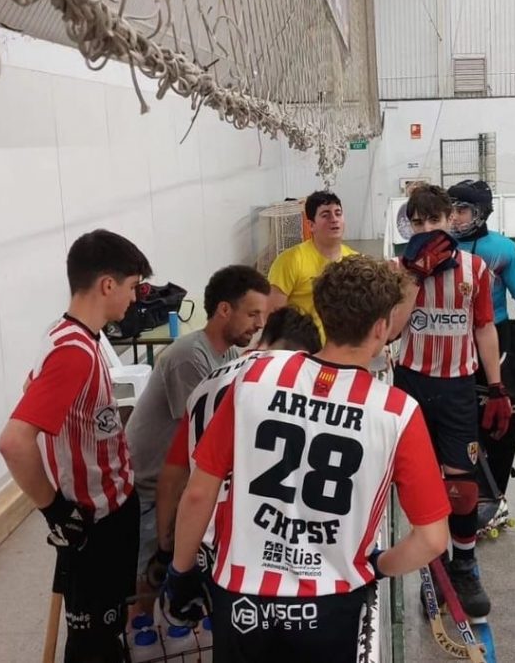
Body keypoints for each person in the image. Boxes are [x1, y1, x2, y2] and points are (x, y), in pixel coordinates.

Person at [159, 256, 450, 662]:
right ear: (382, 327)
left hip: (243, 598)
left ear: (324, 315)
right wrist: (378, 566)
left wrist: (181, 571)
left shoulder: (253, 380)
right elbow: (432, 539)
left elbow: (198, 492)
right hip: (331, 603)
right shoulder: (397, 412)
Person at [0, 229, 152, 663]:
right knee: (93, 643)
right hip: (94, 520)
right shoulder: (73, 353)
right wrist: (57, 512)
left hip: (111, 506)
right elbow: (14, 442)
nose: (134, 298)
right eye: (132, 287)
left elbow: (43, 402)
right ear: (107, 284)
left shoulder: (73, 335)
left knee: (107, 631)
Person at [393, 183, 513, 617]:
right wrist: (413, 278)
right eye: (418, 221)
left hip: (458, 386)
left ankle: (464, 564)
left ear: (450, 221)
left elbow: (483, 326)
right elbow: (390, 331)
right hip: (411, 382)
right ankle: (435, 563)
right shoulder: (397, 269)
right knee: (420, 479)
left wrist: (496, 386)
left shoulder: (476, 269)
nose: (427, 228)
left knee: (462, 482)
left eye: (435, 219)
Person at [125, 265, 270, 611]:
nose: (259, 324)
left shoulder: (228, 354)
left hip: (175, 486)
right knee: (147, 586)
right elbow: (200, 441)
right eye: (252, 314)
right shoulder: (189, 358)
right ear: (224, 310)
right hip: (151, 492)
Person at [145, 306, 323, 586]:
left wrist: (167, 551)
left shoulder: (206, 384)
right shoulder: (294, 388)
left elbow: (173, 478)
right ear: (304, 354)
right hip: (265, 547)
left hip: (201, 539)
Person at [446, 179, 515, 523]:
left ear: (481, 213)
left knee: (493, 414)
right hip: (451, 334)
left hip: (492, 335)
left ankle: (492, 492)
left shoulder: (502, 248)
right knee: (455, 415)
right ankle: (456, 484)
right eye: (451, 209)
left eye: (462, 209)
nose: (454, 216)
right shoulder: (440, 245)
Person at [268, 190, 356, 342]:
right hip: (304, 349)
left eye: (338, 213)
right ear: (310, 225)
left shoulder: (355, 261)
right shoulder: (290, 260)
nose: (334, 219)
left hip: (344, 348)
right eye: (325, 215)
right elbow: (273, 315)